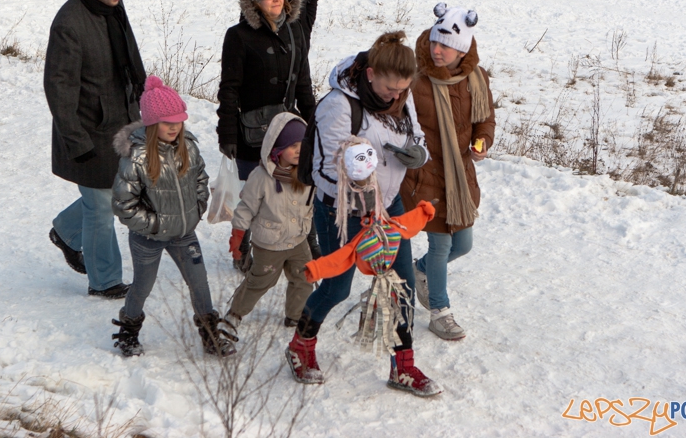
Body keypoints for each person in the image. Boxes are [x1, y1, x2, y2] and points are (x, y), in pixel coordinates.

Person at [287, 31, 440, 397]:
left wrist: (417, 155)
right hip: (341, 211)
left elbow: (416, 137)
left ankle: (402, 366)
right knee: (337, 286)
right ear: (370, 74)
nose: (397, 96)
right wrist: (360, 197)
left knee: (401, 286)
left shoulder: (402, 99)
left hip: (389, 206)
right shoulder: (338, 106)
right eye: (390, 89)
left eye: (403, 90)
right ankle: (300, 346)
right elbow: (325, 168)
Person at [44, 0, 146, 299]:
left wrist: (145, 94)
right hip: (90, 131)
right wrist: (77, 142)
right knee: (102, 207)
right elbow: (59, 89)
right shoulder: (69, 24)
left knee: (120, 194)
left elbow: (129, 53)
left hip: (122, 123)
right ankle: (104, 280)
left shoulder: (111, 8)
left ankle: (67, 231)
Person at [110, 76, 235, 358]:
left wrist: (197, 208)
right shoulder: (136, 156)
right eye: (167, 122)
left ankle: (210, 333)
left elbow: (201, 179)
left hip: (183, 233)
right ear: (153, 124)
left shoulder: (187, 147)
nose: (174, 127)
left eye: (178, 121)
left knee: (199, 282)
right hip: (148, 238)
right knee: (142, 286)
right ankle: (128, 330)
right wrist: (154, 224)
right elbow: (123, 204)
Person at [400, 3, 496, 341]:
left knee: (463, 244)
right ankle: (440, 311)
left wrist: (482, 141)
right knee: (441, 244)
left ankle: (420, 270)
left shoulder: (476, 79)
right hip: (425, 174)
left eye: (446, 46)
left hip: (460, 177)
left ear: (462, 50)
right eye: (434, 43)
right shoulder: (414, 79)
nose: (436, 51)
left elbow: (485, 121)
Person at [217, 0, 317, 267]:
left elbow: (303, 83)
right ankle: (243, 248)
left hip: (287, 129)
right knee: (252, 193)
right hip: (252, 132)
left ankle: (305, 243)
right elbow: (229, 89)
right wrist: (228, 133)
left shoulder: (295, 29)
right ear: (254, 1)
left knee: (296, 187)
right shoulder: (238, 36)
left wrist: (314, 124)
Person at [224, 113, 314, 334]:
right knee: (259, 282)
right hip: (269, 244)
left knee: (304, 278)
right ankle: (234, 314)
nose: (299, 150)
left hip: (298, 240)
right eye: (292, 146)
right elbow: (245, 208)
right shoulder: (261, 177)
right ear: (277, 148)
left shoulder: (307, 173)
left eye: (302, 145)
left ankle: (295, 316)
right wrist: (237, 236)